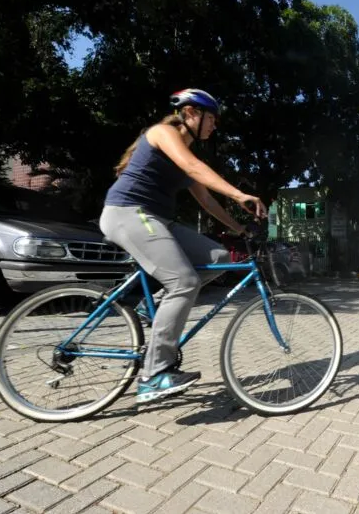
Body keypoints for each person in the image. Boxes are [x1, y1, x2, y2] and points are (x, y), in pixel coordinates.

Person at [100, 88, 266, 404]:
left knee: (219, 257)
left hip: (157, 220)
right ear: (190, 113)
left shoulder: (187, 155)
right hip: (128, 213)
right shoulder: (163, 133)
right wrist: (239, 194)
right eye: (211, 119)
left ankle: (159, 307)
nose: (214, 126)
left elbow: (206, 201)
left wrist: (240, 227)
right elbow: (192, 168)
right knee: (185, 282)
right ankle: (154, 375)